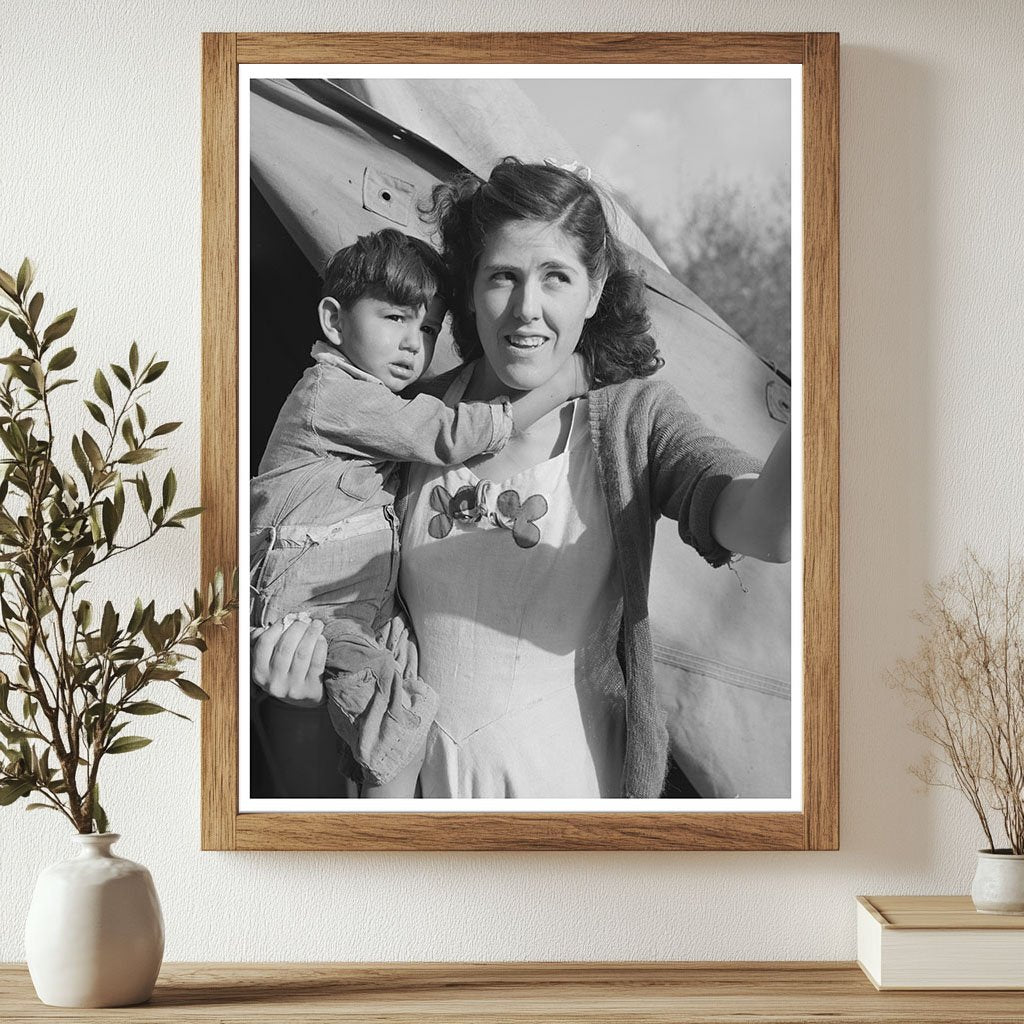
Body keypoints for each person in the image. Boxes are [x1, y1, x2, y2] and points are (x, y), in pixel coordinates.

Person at [255, 158, 790, 799]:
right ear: (470, 287)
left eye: (556, 277)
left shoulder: (632, 423)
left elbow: (766, 527)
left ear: (593, 292)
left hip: (568, 805)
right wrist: (297, 685)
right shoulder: (404, 423)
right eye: (503, 277)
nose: (526, 309)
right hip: (416, 810)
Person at [250, 227, 589, 798]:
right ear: (333, 321)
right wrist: (563, 384)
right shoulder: (331, 393)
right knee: (390, 705)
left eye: (429, 328)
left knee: (399, 674)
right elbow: (442, 434)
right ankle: (386, 823)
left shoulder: (370, 397)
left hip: (354, 599)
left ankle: (384, 795)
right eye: (395, 318)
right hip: (308, 598)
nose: (413, 343)